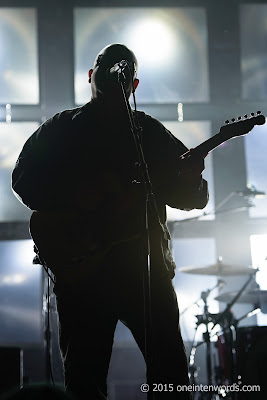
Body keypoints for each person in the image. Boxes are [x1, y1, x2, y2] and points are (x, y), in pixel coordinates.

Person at [12, 43, 209, 400]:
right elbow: (22, 177)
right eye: (106, 63)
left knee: (171, 376)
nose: (116, 69)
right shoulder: (61, 128)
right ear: (91, 74)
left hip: (144, 270)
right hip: (83, 275)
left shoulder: (148, 132)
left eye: (126, 66)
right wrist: (72, 197)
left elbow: (193, 197)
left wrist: (192, 178)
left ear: (134, 85)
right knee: (85, 381)